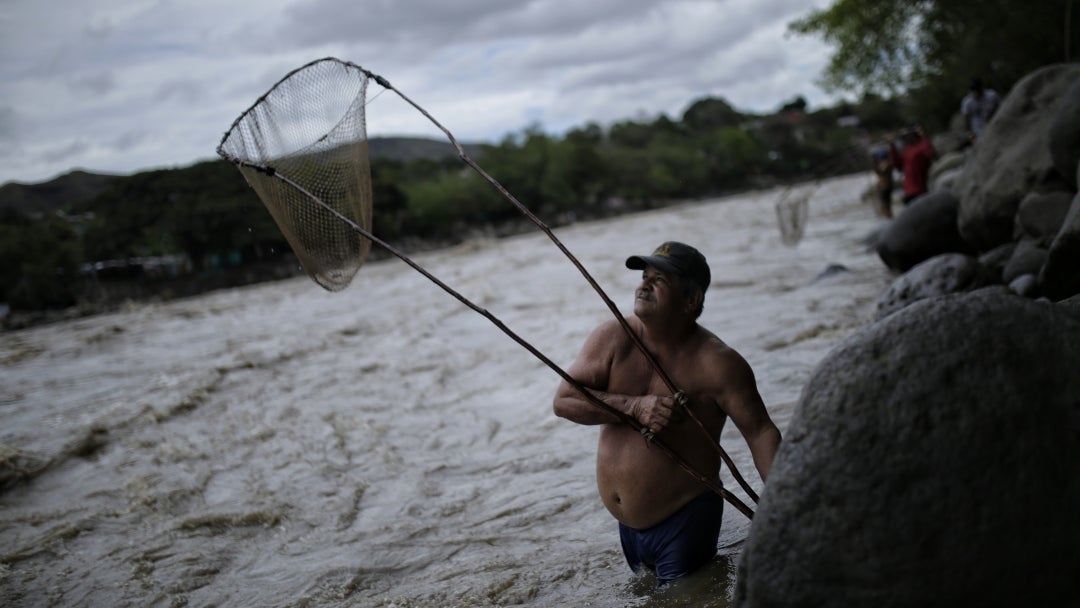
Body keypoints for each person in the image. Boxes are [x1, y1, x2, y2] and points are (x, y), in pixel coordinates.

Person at [552, 241, 781, 586]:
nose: (644, 284)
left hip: (685, 519)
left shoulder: (719, 364)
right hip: (628, 528)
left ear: (691, 301)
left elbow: (760, 432)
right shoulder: (613, 336)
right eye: (645, 276)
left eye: (660, 280)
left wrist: (785, 503)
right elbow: (564, 402)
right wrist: (632, 406)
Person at [888, 123, 937, 205]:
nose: (907, 137)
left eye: (908, 134)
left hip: (920, 191)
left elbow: (931, 153)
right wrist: (892, 146)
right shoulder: (907, 150)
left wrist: (922, 135)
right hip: (908, 191)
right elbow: (897, 164)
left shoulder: (922, 146)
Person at [870, 147, 894, 218]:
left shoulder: (886, 164)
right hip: (884, 188)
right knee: (884, 207)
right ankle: (889, 219)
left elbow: (879, 172)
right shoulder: (885, 163)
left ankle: (889, 220)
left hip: (885, 188)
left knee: (885, 207)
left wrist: (873, 163)